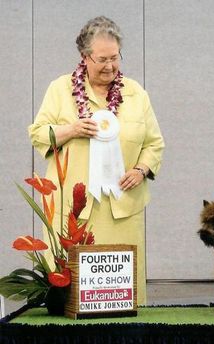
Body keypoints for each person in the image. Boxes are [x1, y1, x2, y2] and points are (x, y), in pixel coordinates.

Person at [29, 16, 164, 305]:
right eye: (102, 59)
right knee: (76, 298)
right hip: (74, 211)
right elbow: (39, 134)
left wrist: (141, 169)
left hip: (123, 207)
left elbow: (154, 144)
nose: (110, 66)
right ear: (84, 56)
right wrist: (72, 129)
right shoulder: (60, 89)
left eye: (115, 58)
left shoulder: (136, 93)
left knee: (120, 295)